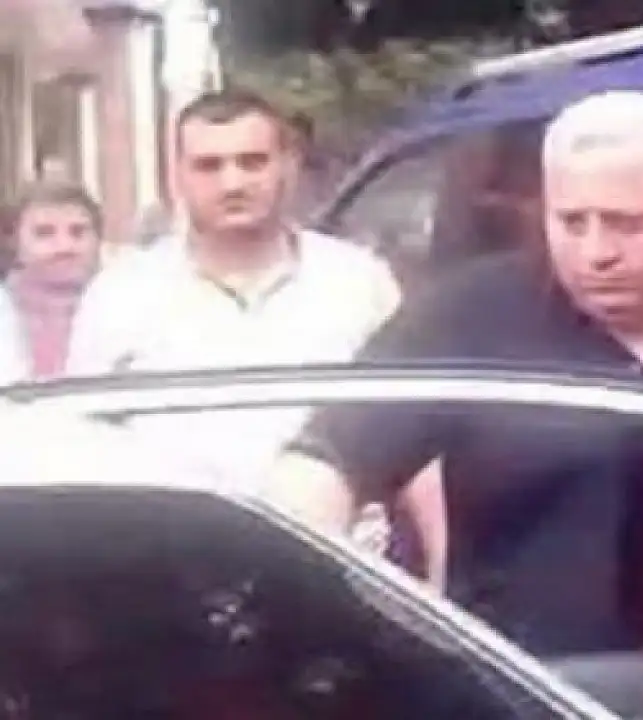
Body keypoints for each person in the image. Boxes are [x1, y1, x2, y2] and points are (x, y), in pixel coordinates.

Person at [266, 91, 643, 655]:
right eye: (571, 221)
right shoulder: (469, 313)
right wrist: (292, 564)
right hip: (521, 686)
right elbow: (330, 455)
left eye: (628, 223)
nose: (596, 252)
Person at [66, 89, 399, 486]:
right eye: (209, 166)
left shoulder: (360, 282)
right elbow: (81, 441)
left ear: (287, 166)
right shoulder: (122, 293)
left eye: (252, 162)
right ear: (177, 176)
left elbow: (410, 430)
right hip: (174, 522)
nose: (232, 183)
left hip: (329, 523)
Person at [5, 182, 103, 379]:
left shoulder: (134, 306)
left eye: (78, 232)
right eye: (44, 233)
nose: (64, 247)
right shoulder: (6, 309)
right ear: (15, 242)